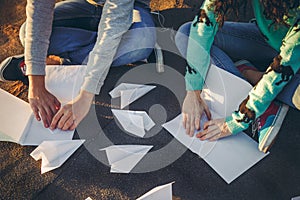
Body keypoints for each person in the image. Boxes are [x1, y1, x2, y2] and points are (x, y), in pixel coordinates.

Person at [0, 0, 156, 130]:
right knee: (26, 32)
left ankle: (67, 61)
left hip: (132, 10)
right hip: (88, 7)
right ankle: (89, 56)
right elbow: (39, 12)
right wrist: (36, 82)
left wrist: (85, 97)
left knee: (141, 43)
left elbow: (113, 24)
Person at [175, 0, 299, 152]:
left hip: (293, 57)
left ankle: (254, 81)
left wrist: (236, 122)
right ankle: (257, 91)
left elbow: (284, 65)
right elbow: (204, 22)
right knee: (187, 34)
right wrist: (193, 92)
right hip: (268, 40)